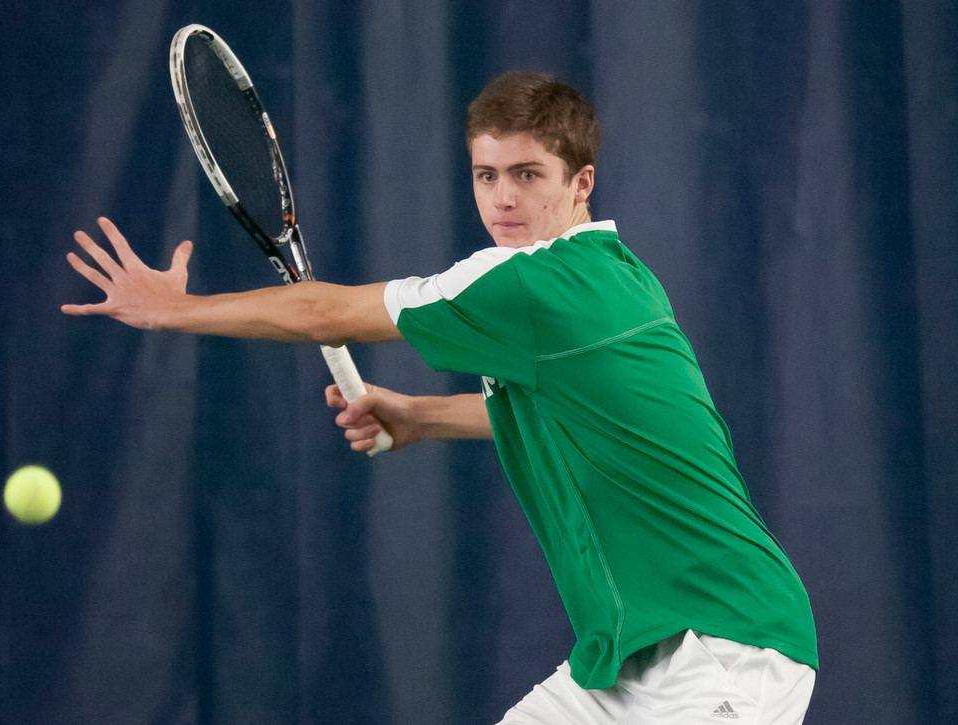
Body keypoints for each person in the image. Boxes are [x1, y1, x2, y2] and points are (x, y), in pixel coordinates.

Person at [63, 71, 818, 723]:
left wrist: (174, 311)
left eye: (527, 174)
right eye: (486, 175)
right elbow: (575, 418)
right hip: (623, 655)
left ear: (580, 183)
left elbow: (328, 312)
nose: (503, 198)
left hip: (729, 645)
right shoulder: (618, 273)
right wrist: (419, 416)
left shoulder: (536, 284)